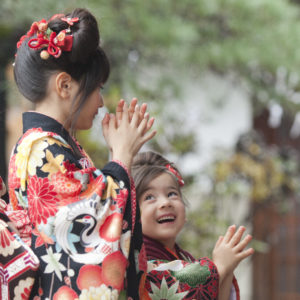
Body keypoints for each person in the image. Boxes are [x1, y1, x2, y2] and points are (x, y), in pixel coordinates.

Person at [8, 8, 156, 299]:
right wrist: (122, 154)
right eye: (97, 88)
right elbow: (89, 225)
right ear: (64, 85)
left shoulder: (50, 145)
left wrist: (118, 161)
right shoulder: (42, 149)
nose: (101, 101)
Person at [132, 151, 254, 300]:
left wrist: (227, 269)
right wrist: (220, 267)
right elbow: (177, 291)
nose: (165, 203)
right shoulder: (136, 260)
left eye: (172, 194)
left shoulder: (184, 258)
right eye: (149, 197)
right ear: (132, 213)